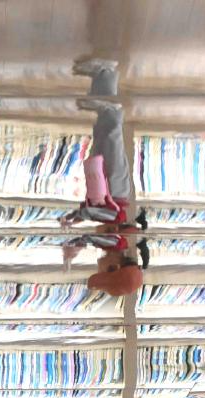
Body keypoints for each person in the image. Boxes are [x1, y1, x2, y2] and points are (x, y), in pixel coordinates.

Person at [61, 59, 146, 297]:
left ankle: (102, 78)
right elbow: (98, 223)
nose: (97, 267)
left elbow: (92, 222)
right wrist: (77, 239)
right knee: (110, 139)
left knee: (101, 138)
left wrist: (75, 218)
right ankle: (107, 75)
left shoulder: (111, 244)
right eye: (102, 271)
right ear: (113, 267)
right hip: (114, 191)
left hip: (104, 189)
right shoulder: (115, 243)